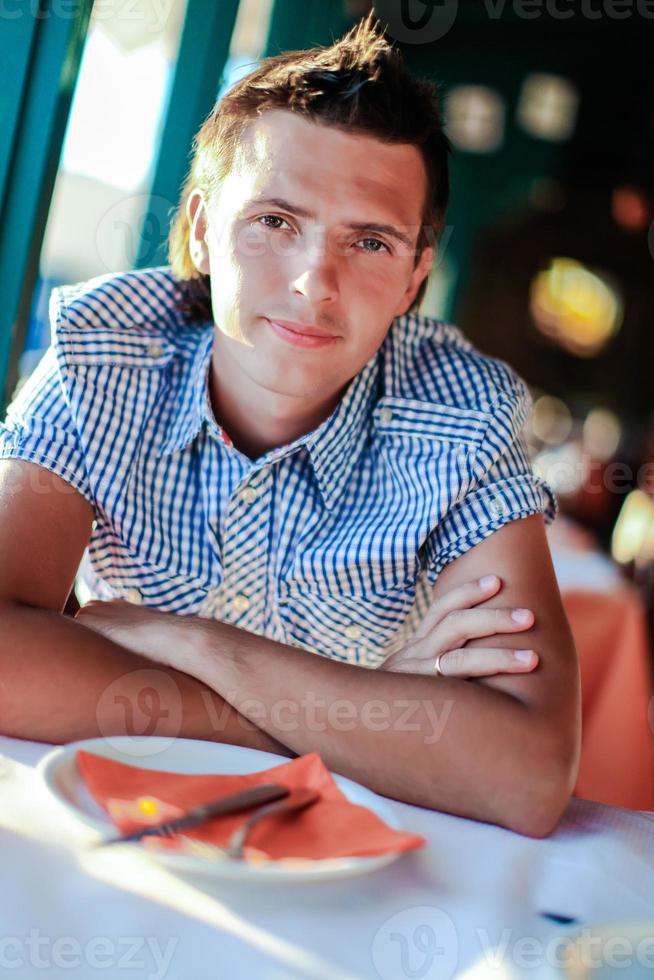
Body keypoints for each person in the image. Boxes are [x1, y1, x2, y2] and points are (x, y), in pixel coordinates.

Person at [0, 14, 580, 837]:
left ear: (416, 275)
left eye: (371, 242)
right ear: (203, 229)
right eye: (275, 222)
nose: (315, 284)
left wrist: (183, 642)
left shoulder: (460, 415)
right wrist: (363, 723)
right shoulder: (107, 356)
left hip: (338, 852)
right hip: (102, 808)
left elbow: (526, 774)